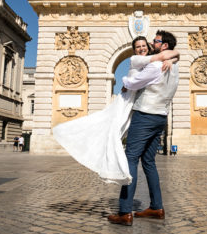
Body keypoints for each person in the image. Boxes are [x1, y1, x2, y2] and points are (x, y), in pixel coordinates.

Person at [52, 36, 178, 184]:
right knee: (110, 129)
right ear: (134, 50)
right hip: (125, 102)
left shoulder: (152, 60)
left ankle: (117, 177)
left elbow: (174, 54)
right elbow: (165, 55)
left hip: (135, 105)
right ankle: (107, 162)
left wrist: (171, 60)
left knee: (118, 135)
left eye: (144, 45)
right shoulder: (136, 60)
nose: (142, 48)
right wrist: (127, 82)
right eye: (138, 47)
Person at [108, 30, 179, 226]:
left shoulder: (155, 66)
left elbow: (132, 82)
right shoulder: (175, 67)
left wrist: (124, 82)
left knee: (130, 158)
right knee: (149, 161)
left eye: (155, 41)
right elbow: (175, 55)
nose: (150, 43)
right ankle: (156, 207)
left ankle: (124, 211)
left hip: (145, 115)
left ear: (164, 46)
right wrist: (174, 57)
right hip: (161, 118)